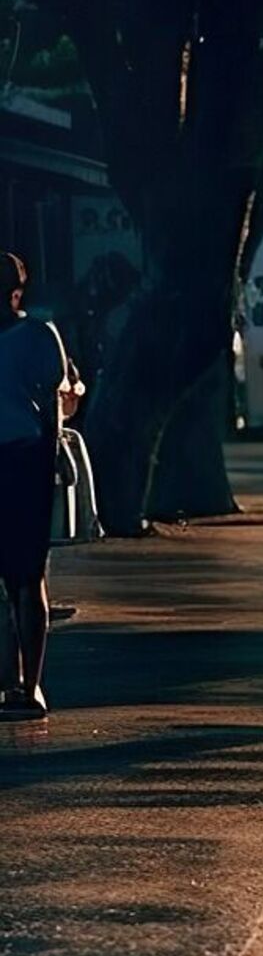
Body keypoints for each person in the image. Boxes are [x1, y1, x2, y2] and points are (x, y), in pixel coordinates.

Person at [0, 252, 76, 719]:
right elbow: (53, 410)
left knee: (24, 579)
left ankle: (23, 684)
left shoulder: (38, 336)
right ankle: (25, 685)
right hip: (27, 458)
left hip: (24, 460)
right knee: (27, 579)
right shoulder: (38, 337)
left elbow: (52, 411)